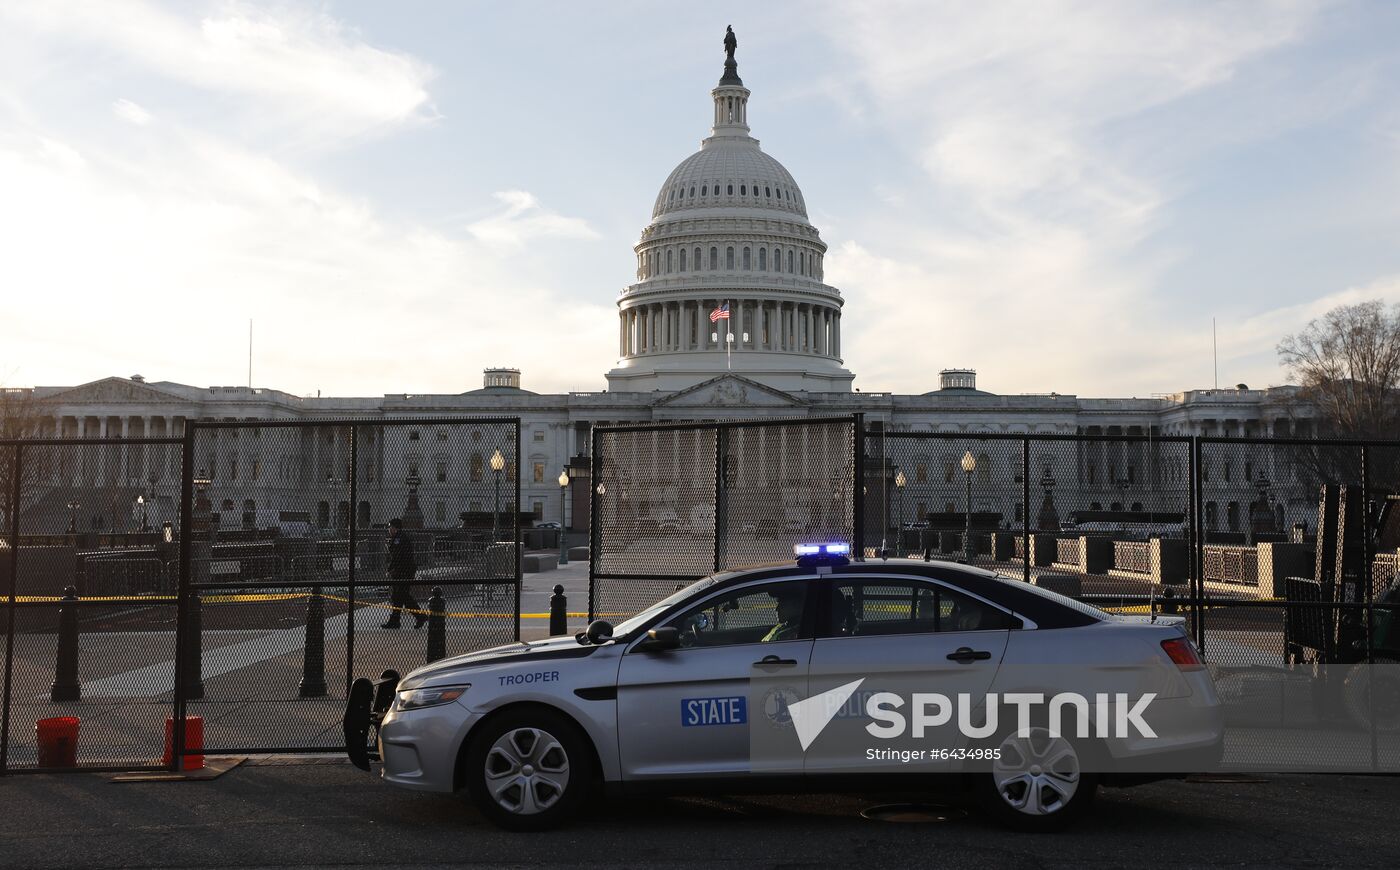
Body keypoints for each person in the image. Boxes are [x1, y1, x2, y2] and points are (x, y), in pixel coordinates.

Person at [382, 518, 424, 629]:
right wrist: (391, 569)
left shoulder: (399, 539)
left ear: (395, 528)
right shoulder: (399, 538)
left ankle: (420, 616)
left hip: (404, 571)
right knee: (398, 596)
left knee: (401, 595)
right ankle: (396, 620)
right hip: (404, 570)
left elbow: (399, 557)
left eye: (390, 527)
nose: (389, 529)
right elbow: (396, 557)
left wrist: (393, 569)